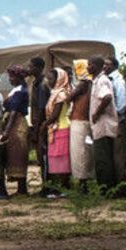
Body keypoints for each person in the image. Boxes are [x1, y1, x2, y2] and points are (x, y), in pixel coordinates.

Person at [0, 65, 31, 199]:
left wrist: (6, 131)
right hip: (13, 124)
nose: (10, 79)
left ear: (19, 77)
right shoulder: (16, 90)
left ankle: (22, 189)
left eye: (12, 76)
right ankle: (21, 188)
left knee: (18, 155)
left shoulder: (20, 91)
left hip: (17, 125)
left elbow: (14, 112)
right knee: (14, 155)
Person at [89, 57, 119, 189]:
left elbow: (107, 97)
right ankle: (107, 187)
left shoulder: (102, 81)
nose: (87, 67)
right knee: (102, 157)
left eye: (90, 65)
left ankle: (106, 188)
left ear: (96, 66)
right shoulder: (97, 81)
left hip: (104, 125)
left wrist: (97, 113)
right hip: (100, 126)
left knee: (103, 158)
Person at [43, 67, 71, 197]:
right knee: (55, 159)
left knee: (62, 159)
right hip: (55, 128)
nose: (48, 81)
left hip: (61, 127)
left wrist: (44, 125)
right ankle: (59, 188)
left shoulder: (60, 94)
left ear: (58, 79)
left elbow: (55, 115)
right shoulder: (55, 92)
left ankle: (63, 188)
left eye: (51, 78)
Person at [69, 59, 95, 184]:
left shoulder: (83, 83)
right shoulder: (90, 84)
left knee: (80, 152)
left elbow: (68, 98)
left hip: (79, 122)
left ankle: (82, 182)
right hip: (85, 121)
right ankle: (86, 179)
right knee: (85, 150)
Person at [105, 57, 126, 185]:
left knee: (118, 153)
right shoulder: (107, 79)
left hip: (117, 121)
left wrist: (113, 114)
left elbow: (121, 104)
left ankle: (121, 184)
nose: (104, 67)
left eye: (107, 64)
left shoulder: (118, 81)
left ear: (114, 66)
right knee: (111, 152)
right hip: (110, 121)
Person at [28, 57, 51, 185]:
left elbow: (42, 110)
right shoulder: (36, 83)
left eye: (31, 66)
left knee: (43, 155)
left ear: (38, 68)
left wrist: (37, 131)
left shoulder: (42, 85)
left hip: (42, 126)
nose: (29, 69)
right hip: (38, 124)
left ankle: (47, 185)